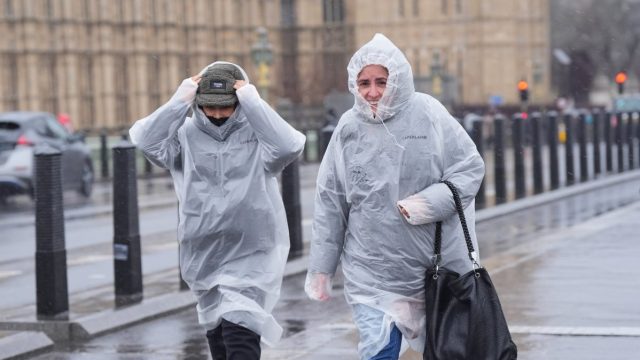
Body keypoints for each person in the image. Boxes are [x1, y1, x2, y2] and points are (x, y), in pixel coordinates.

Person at [304, 33, 485, 359]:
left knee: (446, 352)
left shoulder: (429, 114)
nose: (372, 92)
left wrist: (428, 204)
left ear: (398, 80)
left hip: (433, 274)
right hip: (370, 277)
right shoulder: (348, 128)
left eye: (381, 81)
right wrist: (322, 268)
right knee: (378, 353)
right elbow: (332, 201)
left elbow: (469, 168)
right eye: (364, 83)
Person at [129, 61, 306, 359]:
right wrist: (179, 100)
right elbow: (147, 141)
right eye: (210, 107)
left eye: (226, 107)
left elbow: (289, 146)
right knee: (220, 339)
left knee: (240, 333)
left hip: (251, 254)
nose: (218, 114)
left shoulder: (257, 136)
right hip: (203, 253)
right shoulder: (185, 135)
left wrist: (253, 101)